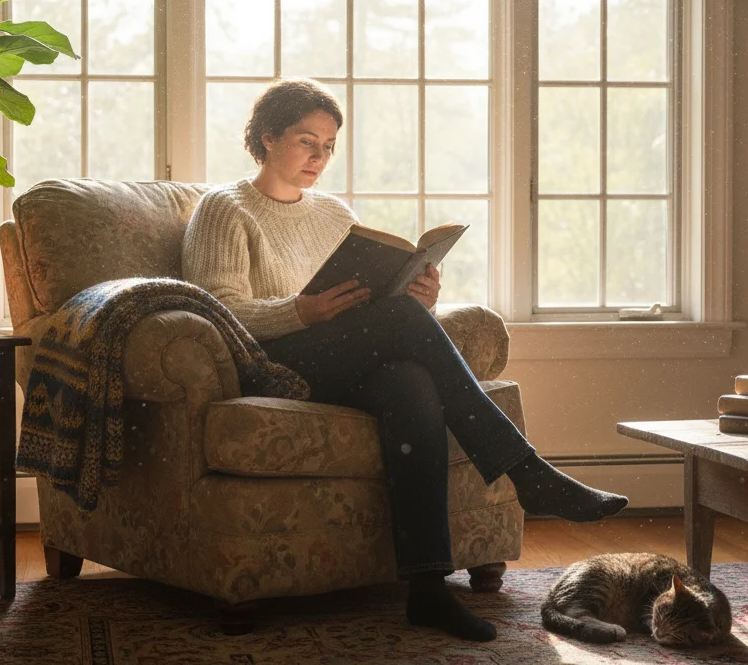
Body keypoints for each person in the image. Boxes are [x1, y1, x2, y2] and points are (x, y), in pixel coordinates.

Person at [182, 78, 628, 643]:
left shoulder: (332, 213)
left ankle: (427, 589)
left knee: (410, 383)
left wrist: (414, 297)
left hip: (340, 357)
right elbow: (216, 308)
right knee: (400, 334)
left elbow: (364, 303)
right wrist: (303, 311)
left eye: (328, 146)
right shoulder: (223, 209)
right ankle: (526, 470)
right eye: (305, 141)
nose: (318, 157)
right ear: (267, 137)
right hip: (271, 362)